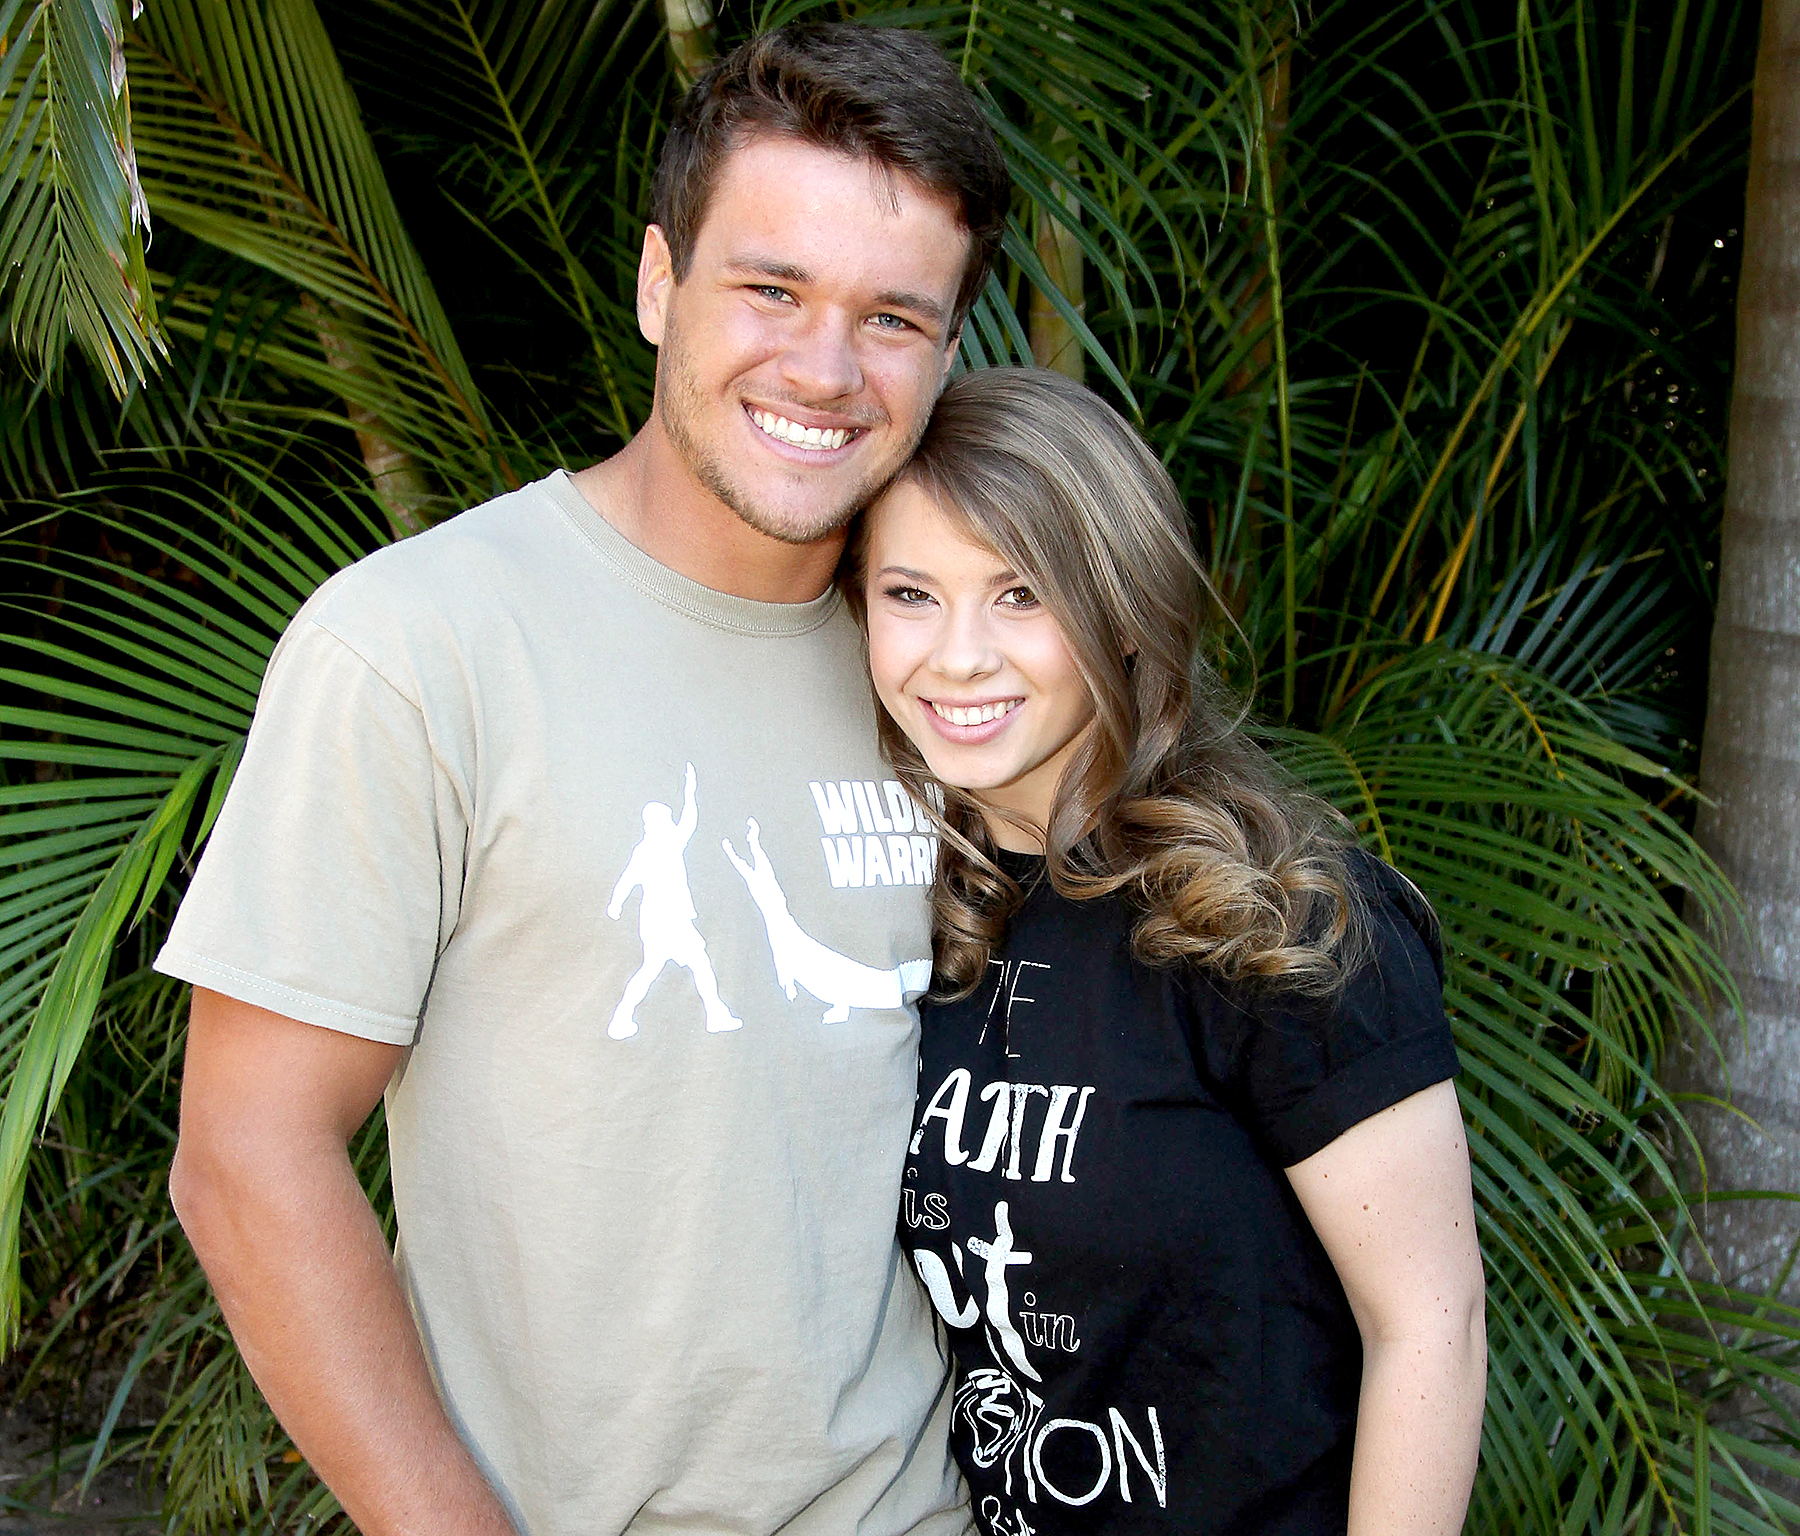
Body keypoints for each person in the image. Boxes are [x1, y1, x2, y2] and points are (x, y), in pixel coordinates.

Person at [159, 25, 1011, 1536]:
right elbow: (245, 1159)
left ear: (948, 353)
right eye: (770, 290)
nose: (824, 369)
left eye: (892, 318)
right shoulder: (422, 645)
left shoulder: (953, 669)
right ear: (658, 283)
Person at [845, 367, 1488, 1535]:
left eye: (1022, 593)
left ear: (1125, 608)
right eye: (911, 594)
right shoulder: (898, 916)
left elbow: (1431, 1327)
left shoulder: (1276, 920)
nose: (958, 655)